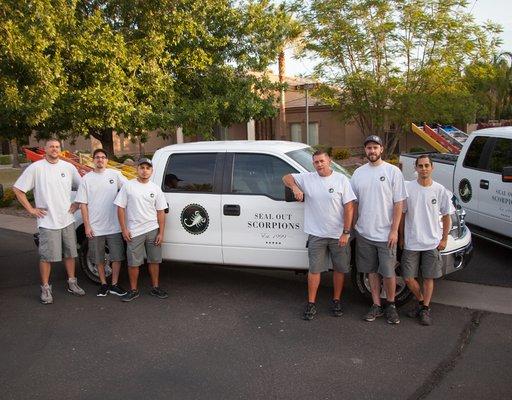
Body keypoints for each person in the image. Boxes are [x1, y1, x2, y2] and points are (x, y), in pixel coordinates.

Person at [283, 150, 356, 320]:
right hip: (316, 234)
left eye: (322, 161)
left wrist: (346, 232)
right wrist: (295, 187)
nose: (319, 165)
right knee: (314, 270)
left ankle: (336, 300)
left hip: (339, 234)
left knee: (339, 269)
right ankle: (311, 303)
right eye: (316, 162)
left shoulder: (341, 180)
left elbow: (349, 207)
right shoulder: (308, 178)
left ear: (329, 161)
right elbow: (286, 177)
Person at [13, 138, 85, 304]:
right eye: (51, 146)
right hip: (47, 222)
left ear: (60, 149)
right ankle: (45, 287)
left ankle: (72, 282)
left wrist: (77, 203)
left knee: (70, 254)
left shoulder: (68, 167)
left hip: (67, 219)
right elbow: (18, 189)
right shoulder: (36, 168)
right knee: (46, 257)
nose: (54, 149)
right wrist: (31, 209)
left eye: (57, 146)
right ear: (45, 149)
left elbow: (83, 186)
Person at [350, 135, 407, 324]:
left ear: (381, 149)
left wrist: (394, 230)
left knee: (389, 272)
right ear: (365, 150)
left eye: (375, 147)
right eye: (368, 148)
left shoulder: (392, 172)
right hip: (364, 233)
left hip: (386, 235)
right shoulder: (359, 173)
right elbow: (355, 203)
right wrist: (353, 228)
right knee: (371, 271)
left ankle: (390, 305)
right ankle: (376, 305)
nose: (372, 151)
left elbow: (399, 204)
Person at [399, 155, 454, 326]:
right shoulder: (408, 189)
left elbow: (447, 217)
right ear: (415, 168)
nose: (423, 169)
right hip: (411, 242)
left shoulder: (440, 190)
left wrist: (444, 238)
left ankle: (425, 308)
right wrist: (401, 236)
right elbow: (402, 215)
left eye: (426, 165)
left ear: (432, 167)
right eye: (420, 166)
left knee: (429, 278)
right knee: (408, 277)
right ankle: (423, 303)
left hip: (432, 242)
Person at [75, 148, 128, 297]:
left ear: (106, 160)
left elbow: (129, 189)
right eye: (97, 157)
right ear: (93, 160)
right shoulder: (86, 179)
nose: (100, 160)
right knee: (98, 258)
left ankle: (114, 284)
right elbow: (83, 204)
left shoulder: (115, 175)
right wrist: (87, 226)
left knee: (117, 257)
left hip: (114, 226)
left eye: (103, 157)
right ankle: (104, 284)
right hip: (95, 227)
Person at [114, 158, 168, 302]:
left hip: (152, 229)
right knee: (133, 262)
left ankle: (155, 287)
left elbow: (161, 212)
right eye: (142, 167)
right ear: (137, 169)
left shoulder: (155, 188)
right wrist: (124, 229)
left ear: (151, 171)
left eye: (147, 168)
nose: (145, 171)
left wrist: (161, 232)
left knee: (154, 260)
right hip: (134, 231)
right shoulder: (128, 186)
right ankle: (133, 290)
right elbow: (120, 208)